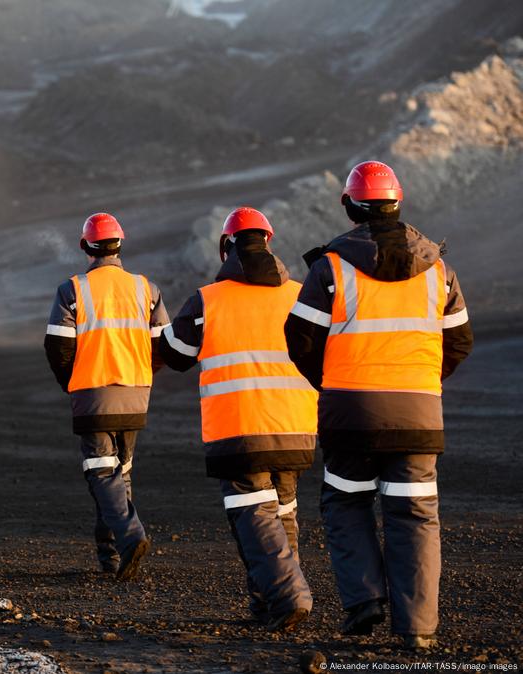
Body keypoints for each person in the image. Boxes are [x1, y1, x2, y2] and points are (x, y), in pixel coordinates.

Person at [284, 161, 473, 649]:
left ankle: (364, 601)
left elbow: (300, 340)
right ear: (398, 202)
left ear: (349, 206)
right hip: (418, 414)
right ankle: (418, 629)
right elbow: (459, 342)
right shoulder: (439, 271)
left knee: (346, 501)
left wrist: (330, 385)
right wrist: (422, 382)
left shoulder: (330, 268)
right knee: (414, 514)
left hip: (349, 413)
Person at [159, 206, 317, 632]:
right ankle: (268, 602)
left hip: (240, 428)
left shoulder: (208, 300)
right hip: (296, 425)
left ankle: (288, 595)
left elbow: (174, 354)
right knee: (283, 510)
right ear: (268, 243)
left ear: (226, 247)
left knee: (252, 510)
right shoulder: (301, 293)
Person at [44, 212, 169, 579]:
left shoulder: (73, 290)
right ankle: (111, 558)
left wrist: (73, 381)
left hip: (92, 393)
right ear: (120, 244)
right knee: (118, 474)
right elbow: (163, 344)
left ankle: (130, 537)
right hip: (135, 393)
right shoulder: (146, 288)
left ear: (85, 246)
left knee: (101, 472)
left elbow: (57, 347)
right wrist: (142, 376)